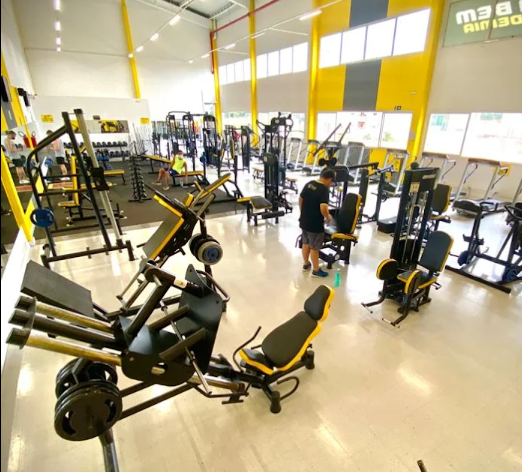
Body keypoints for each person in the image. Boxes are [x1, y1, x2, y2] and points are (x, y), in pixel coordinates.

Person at [299, 168, 336, 278]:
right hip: (315, 224)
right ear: (329, 179)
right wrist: (328, 217)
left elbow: (300, 199)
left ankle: (306, 264)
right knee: (314, 248)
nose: (331, 184)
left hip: (304, 220)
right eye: (331, 182)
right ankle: (316, 270)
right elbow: (323, 208)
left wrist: (303, 212)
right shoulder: (324, 190)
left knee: (305, 243)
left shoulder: (309, 184)